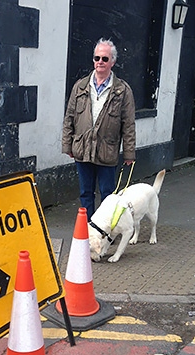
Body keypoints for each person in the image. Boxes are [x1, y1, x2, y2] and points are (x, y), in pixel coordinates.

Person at [62, 38, 136, 220]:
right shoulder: (80, 86)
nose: (100, 62)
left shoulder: (123, 90)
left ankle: (105, 231)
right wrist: (67, 145)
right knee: (85, 193)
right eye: (97, 58)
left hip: (107, 150)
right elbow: (69, 117)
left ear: (113, 62)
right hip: (83, 148)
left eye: (104, 58)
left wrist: (129, 153)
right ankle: (87, 230)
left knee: (107, 195)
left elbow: (128, 124)